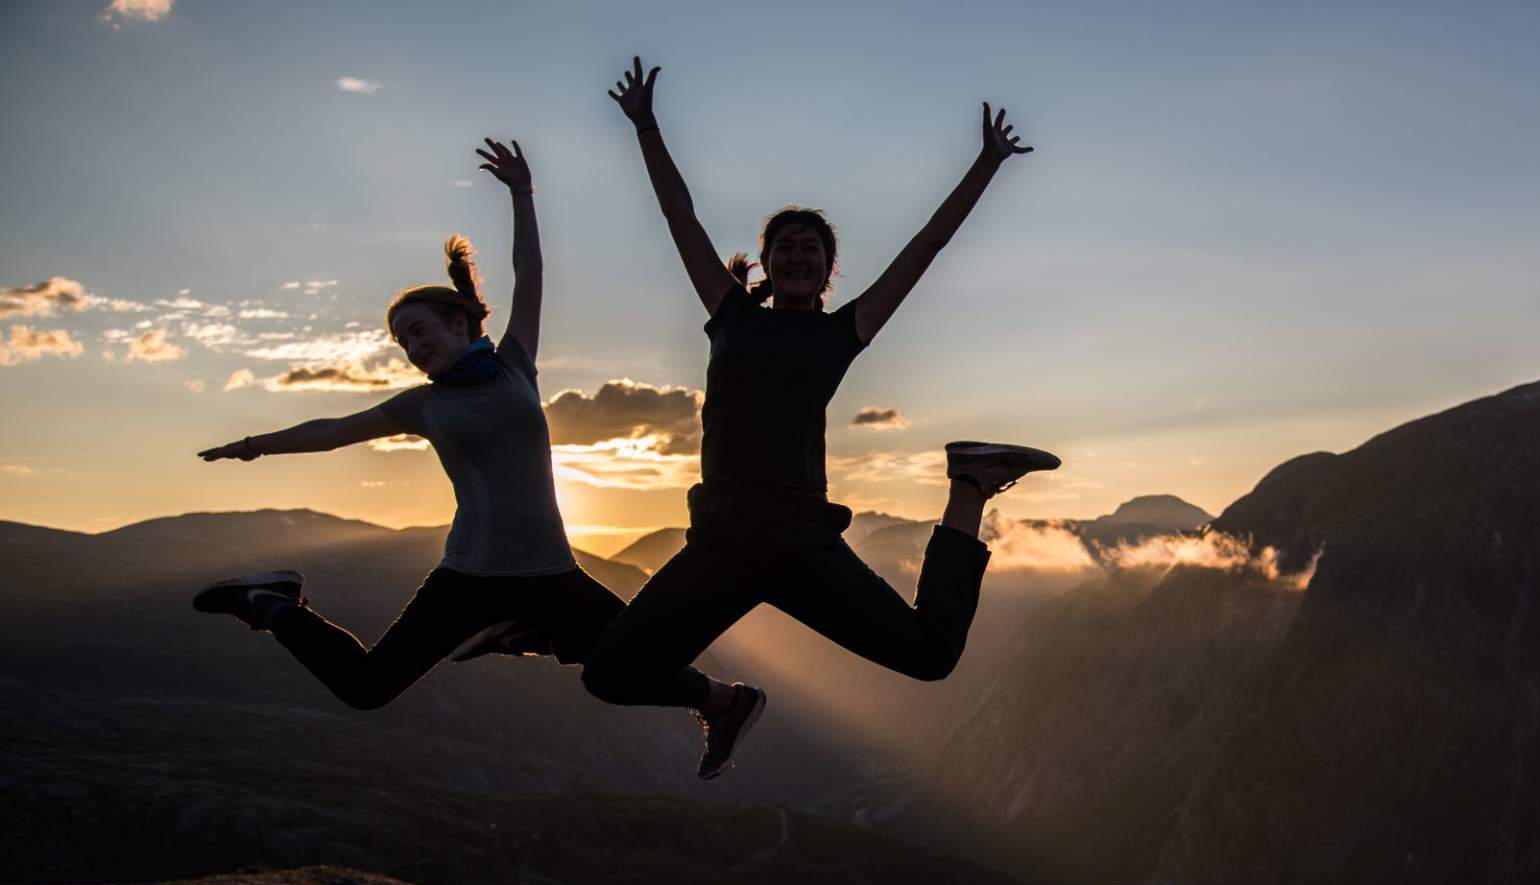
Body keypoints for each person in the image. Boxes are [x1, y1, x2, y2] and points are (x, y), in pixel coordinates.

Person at [581, 56, 1060, 779]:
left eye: (813, 248)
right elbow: (678, 214)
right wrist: (647, 126)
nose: (798, 254)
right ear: (766, 265)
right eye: (785, 247)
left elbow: (927, 245)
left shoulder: (842, 332)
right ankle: (725, 703)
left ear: (828, 270)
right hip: (719, 544)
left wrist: (986, 163)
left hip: (802, 546)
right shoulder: (729, 313)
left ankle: (969, 485)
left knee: (930, 656)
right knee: (609, 674)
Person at [191, 139, 647, 710]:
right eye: (403, 341)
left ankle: (543, 635)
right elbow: (332, 430)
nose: (412, 347)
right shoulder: (422, 405)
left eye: (419, 331)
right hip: (469, 577)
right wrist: (255, 445)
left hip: (552, 572)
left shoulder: (513, 367)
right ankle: (274, 604)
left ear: (460, 322)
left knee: (642, 656)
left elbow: (530, 272)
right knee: (366, 687)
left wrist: (522, 194)